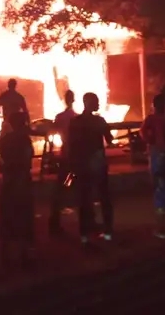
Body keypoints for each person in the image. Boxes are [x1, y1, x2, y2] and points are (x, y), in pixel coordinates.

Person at [0, 113, 35, 267]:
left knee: (7, 217)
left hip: (9, 182)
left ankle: (6, 255)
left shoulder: (6, 139)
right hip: (22, 182)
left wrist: (0, 163)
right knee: (24, 217)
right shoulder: (24, 140)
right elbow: (27, 160)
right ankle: (24, 253)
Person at [66, 92, 114, 243]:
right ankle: (107, 232)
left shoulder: (75, 122)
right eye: (97, 101)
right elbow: (109, 138)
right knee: (104, 197)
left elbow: (70, 144)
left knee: (84, 199)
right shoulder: (99, 121)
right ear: (90, 103)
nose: (99, 104)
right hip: (97, 163)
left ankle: (84, 234)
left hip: (82, 163)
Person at [141, 90, 165, 238]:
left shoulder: (152, 119)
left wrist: (151, 141)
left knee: (159, 187)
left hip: (158, 155)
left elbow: (143, 133)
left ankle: (162, 228)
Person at [48, 90, 77, 235]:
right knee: (80, 187)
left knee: (60, 188)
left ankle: (55, 221)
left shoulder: (60, 117)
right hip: (77, 156)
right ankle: (85, 223)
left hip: (65, 155)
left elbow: (52, 133)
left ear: (64, 100)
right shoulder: (77, 117)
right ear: (74, 100)